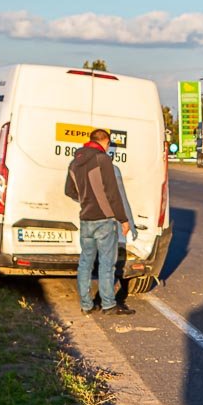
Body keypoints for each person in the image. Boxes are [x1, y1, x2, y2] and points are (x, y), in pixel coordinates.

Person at [65, 129, 135, 315]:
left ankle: (86, 305)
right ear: (105, 142)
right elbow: (112, 193)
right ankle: (108, 304)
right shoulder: (103, 160)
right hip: (104, 219)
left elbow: (69, 191)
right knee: (106, 263)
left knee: (85, 262)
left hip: (85, 219)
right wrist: (123, 219)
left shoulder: (74, 163)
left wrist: (86, 200)